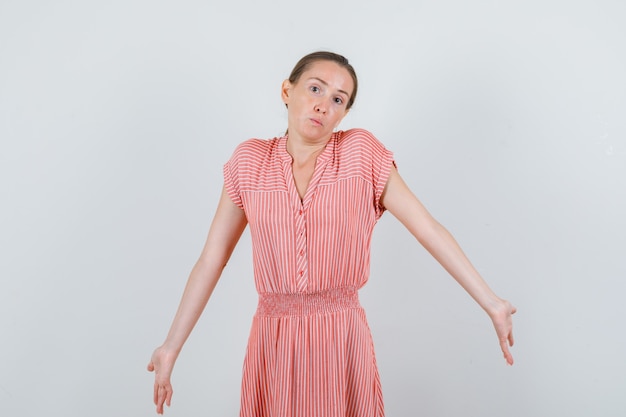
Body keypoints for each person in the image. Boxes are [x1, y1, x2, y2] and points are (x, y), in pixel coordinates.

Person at [147, 51, 516, 416]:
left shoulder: (361, 154)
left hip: (340, 337)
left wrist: (492, 303)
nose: (324, 105)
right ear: (287, 91)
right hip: (273, 342)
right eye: (315, 89)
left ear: (344, 113)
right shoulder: (249, 161)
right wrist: (170, 347)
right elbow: (212, 259)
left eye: (338, 99)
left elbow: (428, 229)